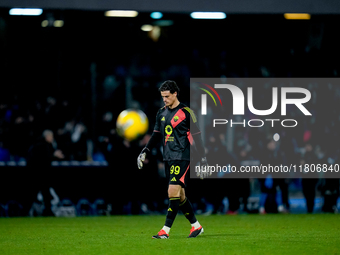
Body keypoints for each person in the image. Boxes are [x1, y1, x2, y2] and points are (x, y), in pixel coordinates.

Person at [137, 80, 210, 239]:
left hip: (183, 156)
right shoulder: (161, 113)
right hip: (169, 158)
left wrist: (203, 158)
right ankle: (196, 226)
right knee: (180, 195)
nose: (164, 99)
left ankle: (165, 231)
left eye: (167, 96)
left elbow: (197, 137)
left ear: (175, 93)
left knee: (172, 191)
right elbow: (156, 135)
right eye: (163, 96)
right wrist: (145, 150)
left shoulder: (186, 112)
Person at [25, 129, 64, 216]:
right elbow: (45, 158)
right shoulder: (43, 145)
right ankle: (44, 211)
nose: (52, 138)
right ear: (47, 137)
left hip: (37, 173)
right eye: (51, 136)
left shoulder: (38, 144)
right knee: (40, 193)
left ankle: (46, 211)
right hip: (40, 174)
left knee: (41, 193)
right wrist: (55, 156)